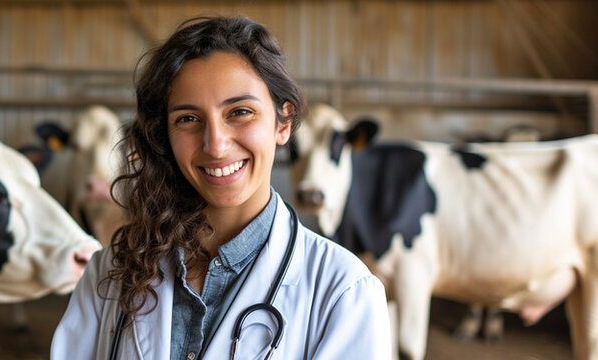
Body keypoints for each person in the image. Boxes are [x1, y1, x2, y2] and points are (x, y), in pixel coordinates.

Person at [51, 16, 391, 359]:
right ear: (163, 135)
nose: (215, 145)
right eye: (187, 119)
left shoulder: (344, 293)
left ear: (283, 122)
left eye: (240, 112)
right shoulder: (109, 273)